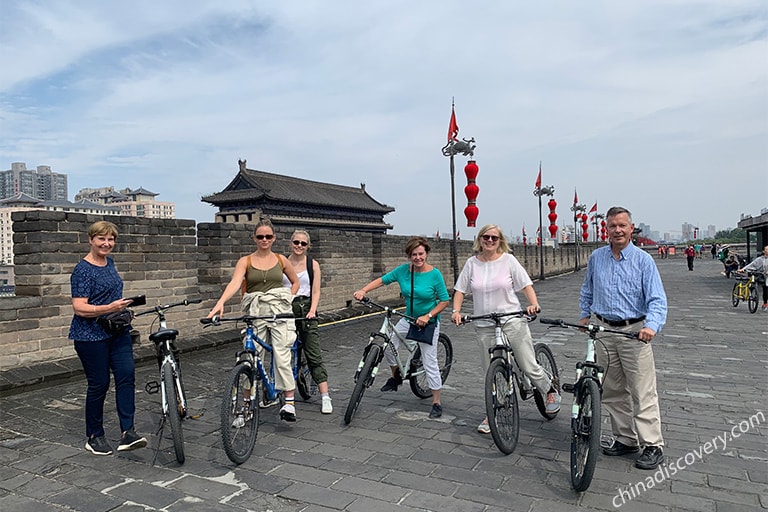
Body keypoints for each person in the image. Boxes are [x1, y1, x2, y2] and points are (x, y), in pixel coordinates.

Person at [579, 206, 667, 470]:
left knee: (642, 390)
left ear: (631, 228)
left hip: (634, 333)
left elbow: (657, 299)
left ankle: (652, 444)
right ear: (606, 229)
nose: (617, 230)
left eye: (622, 225)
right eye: (612, 226)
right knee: (613, 391)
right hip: (604, 331)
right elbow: (587, 289)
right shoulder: (597, 257)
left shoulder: (643, 260)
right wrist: (585, 316)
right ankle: (626, 439)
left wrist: (651, 326)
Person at [451, 224, 561, 434]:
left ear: (500, 240)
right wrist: (456, 311)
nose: (489, 241)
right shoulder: (471, 263)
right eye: (486, 237)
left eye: (494, 238)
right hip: (484, 324)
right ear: (480, 239)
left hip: (511, 320)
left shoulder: (508, 260)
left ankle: (549, 389)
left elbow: (526, 285)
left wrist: (533, 304)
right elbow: (459, 290)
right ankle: (493, 411)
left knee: (528, 365)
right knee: (490, 373)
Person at [208, 219, 301, 422]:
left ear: (274, 238)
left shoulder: (281, 260)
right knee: (249, 359)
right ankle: (247, 407)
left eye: (268, 236)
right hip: (255, 309)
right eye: (260, 236)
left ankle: (289, 402)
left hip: (278, 309)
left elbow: (295, 282)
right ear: (254, 239)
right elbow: (235, 282)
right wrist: (220, 303)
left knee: (281, 352)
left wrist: (288, 298)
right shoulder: (245, 261)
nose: (264, 240)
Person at [69, 221, 147, 456]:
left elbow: (111, 295)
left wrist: (121, 306)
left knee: (126, 376)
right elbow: (79, 308)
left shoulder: (109, 263)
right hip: (90, 336)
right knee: (99, 384)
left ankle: (127, 432)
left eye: (111, 239)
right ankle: (94, 435)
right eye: (101, 239)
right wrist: (108, 307)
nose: (107, 243)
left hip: (117, 331)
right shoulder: (82, 270)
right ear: (91, 240)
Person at [353, 237, 450, 418]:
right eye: (414, 255)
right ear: (409, 256)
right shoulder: (403, 271)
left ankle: (436, 402)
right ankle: (396, 377)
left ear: (426, 254)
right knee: (388, 346)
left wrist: (428, 316)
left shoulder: (434, 274)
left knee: (430, 362)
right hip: (407, 317)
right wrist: (363, 290)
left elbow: (444, 301)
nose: (418, 258)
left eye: (421, 254)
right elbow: (383, 280)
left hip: (428, 321)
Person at [282, 229, 334, 413]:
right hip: (285, 309)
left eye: (303, 244)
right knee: (281, 353)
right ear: (291, 242)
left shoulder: (313, 265)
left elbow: (316, 291)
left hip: (306, 309)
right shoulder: (282, 262)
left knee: (313, 354)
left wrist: (313, 310)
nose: (299, 246)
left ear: (308, 246)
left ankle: (325, 397)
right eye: (296, 242)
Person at [737, 244, 768, 311]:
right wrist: (743, 269)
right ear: (763, 251)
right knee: (763, 288)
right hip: (761, 275)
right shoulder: (760, 259)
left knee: (766, 289)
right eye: (767, 249)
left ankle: (765, 303)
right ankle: (764, 302)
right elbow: (752, 264)